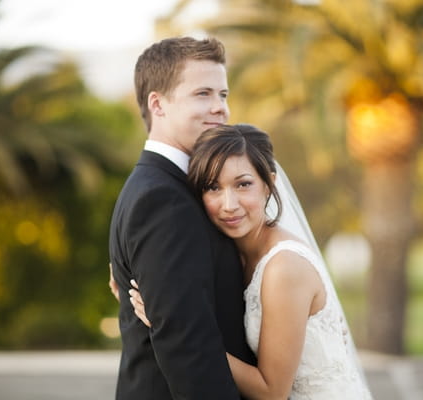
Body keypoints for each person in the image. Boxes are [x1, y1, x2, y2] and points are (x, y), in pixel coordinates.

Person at [129, 124, 373, 399]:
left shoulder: (284, 266)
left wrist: (175, 324)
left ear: (268, 184)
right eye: (213, 187)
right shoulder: (231, 253)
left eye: (243, 184)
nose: (229, 204)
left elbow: (272, 392)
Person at [108, 37, 255, 400]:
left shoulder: (171, 187)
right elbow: (188, 347)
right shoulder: (162, 199)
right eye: (203, 94)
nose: (220, 108)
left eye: (223, 94)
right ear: (157, 104)